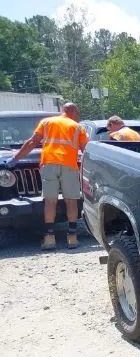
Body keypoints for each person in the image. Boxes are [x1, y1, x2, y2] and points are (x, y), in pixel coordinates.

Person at [7, 102, 88, 250]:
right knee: (71, 201)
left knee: (50, 201)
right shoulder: (77, 127)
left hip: (49, 164)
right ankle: (72, 237)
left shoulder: (46, 122)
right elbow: (86, 150)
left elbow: (32, 142)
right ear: (74, 112)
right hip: (69, 165)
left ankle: (50, 238)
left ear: (63, 111)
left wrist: (15, 159)